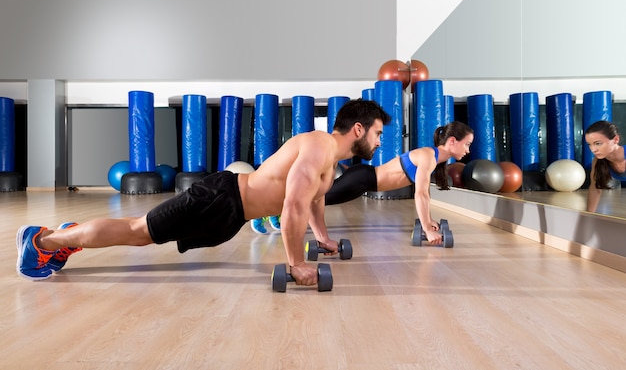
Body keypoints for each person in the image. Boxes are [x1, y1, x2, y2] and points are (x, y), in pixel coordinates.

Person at [16, 98, 391, 286]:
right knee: (138, 232)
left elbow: (313, 202)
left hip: (229, 216)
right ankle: (43, 242)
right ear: (358, 129)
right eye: (377, 133)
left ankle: (70, 235)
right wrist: (295, 264)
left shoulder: (332, 163)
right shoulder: (318, 146)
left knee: (143, 232)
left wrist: (322, 238)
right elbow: (293, 205)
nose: (379, 143)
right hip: (220, 198)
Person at [324, 121, 473, 245]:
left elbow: (425, 193)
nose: (468, 150)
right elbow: (420, 194)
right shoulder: (428, 156)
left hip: (364, 182)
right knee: (316, 198)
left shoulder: (433, 157)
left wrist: (428, 220)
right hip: (362, 178)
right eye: (467, 144)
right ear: (452, 141)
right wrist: (427, 229)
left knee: (321, 199)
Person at [585, 120, 626, 213]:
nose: (593, 149)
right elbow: (595, 189)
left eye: (598, 143)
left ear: (616, 140)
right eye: (590, 144)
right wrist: (588, 216)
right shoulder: (598, 161)